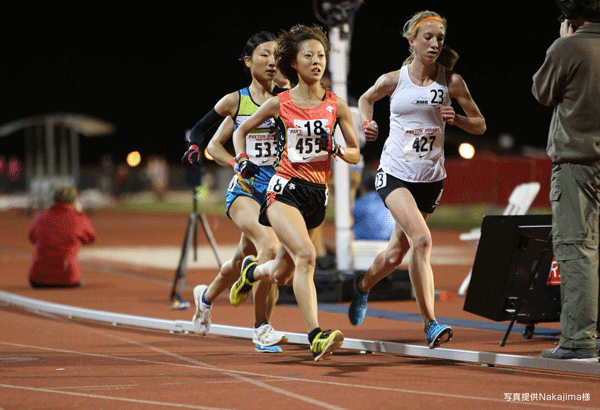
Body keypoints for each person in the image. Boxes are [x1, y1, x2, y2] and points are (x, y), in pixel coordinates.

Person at [350, 10, 486, 348]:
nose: (435, 43)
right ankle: (431, 323)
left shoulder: (451, 82)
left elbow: (480, 124)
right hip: (395, 173)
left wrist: (458, 120)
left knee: (396, 253)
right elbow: (366, 99)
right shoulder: (393, 80)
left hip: (430, 179)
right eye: (428, 37)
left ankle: (362, 286)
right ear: (412, 42)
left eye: (440, 38)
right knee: (422, 241)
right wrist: (367, 124)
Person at [229, 24, 361, 361]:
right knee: (306, 257)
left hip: (317, 196)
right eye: (309, 56)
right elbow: (241, 130)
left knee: (283, 272)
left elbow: (356, 153)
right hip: (283, 191)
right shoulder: (280, 102)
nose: (317, 61)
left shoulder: (336, 104)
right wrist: (241, 159)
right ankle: (316, 334)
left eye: (321, 56)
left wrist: (336, 148)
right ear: (294, 63)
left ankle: (252, 271)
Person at [182, 31, 287, 352]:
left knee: (244, 257)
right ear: (247, 61)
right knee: (268, 247)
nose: (271, 61)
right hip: (243, 190)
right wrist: (222, 158)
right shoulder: (237, 101)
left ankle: (206, 297)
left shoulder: (286, 97)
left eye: (276, 56)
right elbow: (207, 138)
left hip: (276, 190)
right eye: (264, 55)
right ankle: (262, 328)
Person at [532, 0, 600, 362]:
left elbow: (542, 92)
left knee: (577, 249)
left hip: (578, 164)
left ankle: (577, 338)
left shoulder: (568, 46)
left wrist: (562, 41)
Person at [28, 185, 96, 288]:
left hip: (38, 278)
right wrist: (80, 213)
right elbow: (90, 238)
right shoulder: (78, 218)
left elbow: (32, 238)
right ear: (74, 200)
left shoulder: (41, 216)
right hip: (68, 278)